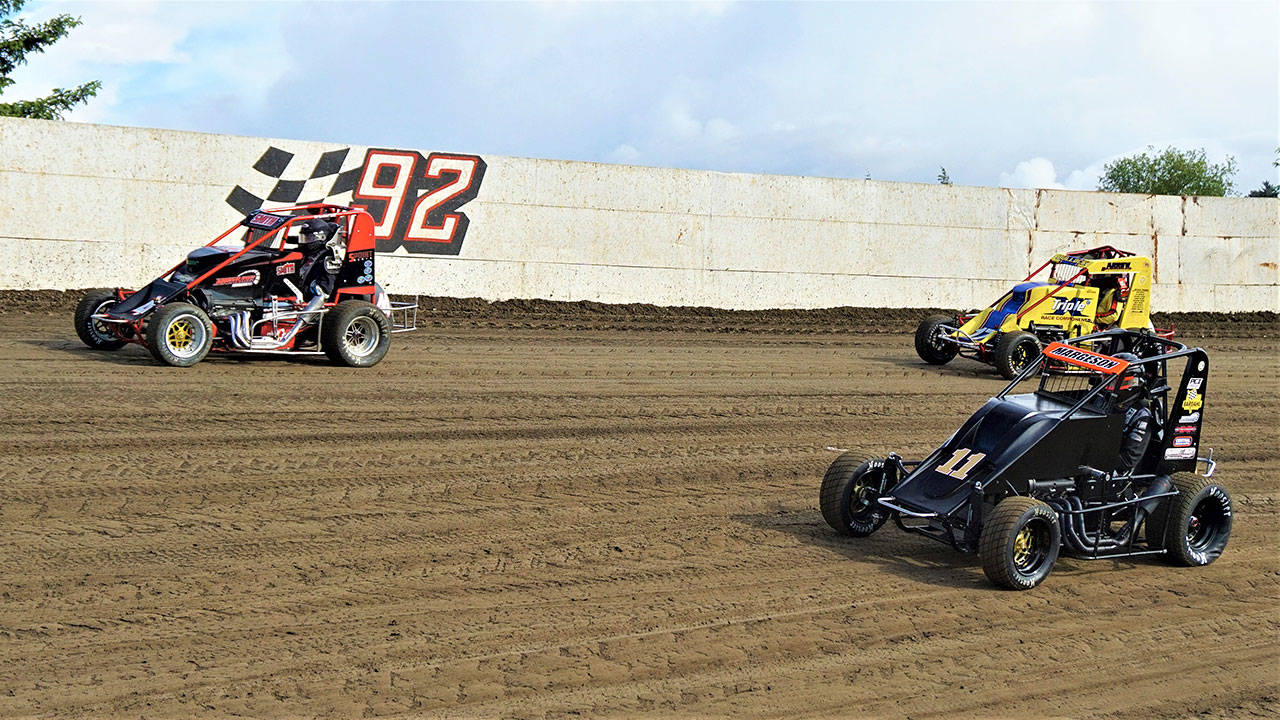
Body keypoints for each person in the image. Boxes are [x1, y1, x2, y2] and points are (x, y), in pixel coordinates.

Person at [1111, 352, 1154, 473]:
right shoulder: (1100, 399)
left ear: (1131, 383)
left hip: (1117, 473)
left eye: (1115, 381)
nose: (1109, 385)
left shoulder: (1141, 415)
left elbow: (1128, 460)